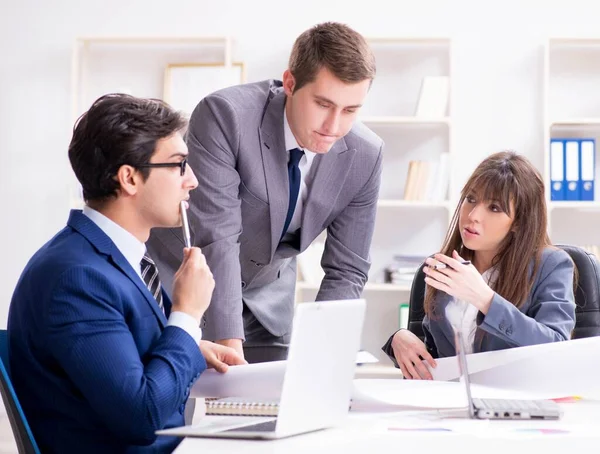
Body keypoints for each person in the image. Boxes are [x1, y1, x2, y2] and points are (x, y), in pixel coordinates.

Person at [7, 93, 245, 453]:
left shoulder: (121, 259)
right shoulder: (74, 278)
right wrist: (186, 316)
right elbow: (141, 415)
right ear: (130, 179)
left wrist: (191, 348)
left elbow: (125, 362)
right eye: (179, 164)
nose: (192, 180)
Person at [148, 22, 384, 363]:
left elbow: (347, 270)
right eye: (322, 104)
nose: (334, 127)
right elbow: (219, 237)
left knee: (275, 408)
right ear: (290, 83)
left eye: (350, 110)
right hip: (182, 288)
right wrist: (230, 345)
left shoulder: (366, 154)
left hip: (267, 304)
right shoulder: (225, 116)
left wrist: (321, 354)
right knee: (181, 406)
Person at [382, 151, 576, 380]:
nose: (473, 215)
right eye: (471, 199)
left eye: (494, 208)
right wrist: (399, 339)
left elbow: (556, 345)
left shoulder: (551, 265)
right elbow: (435, 358)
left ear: (519, 222)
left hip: (516, 404)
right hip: (450, 404)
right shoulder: (443, 267)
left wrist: (486, 300)